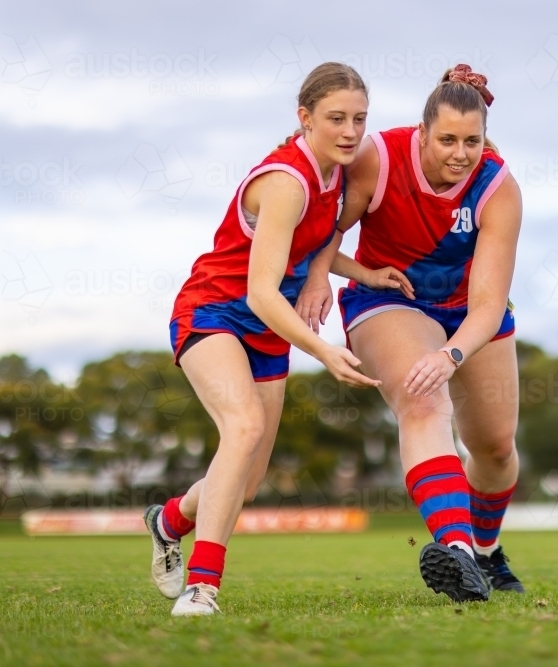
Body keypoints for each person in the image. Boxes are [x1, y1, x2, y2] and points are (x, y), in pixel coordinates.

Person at [143, 63, 382, 616]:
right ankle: (204, 587)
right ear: (305, 118)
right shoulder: (285, 182)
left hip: (267, 330)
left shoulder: (337, 174)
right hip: (214, 312)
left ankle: (169, 520)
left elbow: (314, 244)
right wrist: (323, 350)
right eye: (336, 119)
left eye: (359, 120)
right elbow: (261, 292)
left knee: (245, 484)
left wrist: (361, 273)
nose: (350, 131)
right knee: (244, 425)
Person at [296, 64, 524, 602]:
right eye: (446, 139)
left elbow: (489, 305)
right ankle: (459, 552)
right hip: (388, 299)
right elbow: (330, 227)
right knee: (423, 403)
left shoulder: (498, 186)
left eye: (472, 141)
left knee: (493, 448)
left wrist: (452, 353)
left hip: (468, 313)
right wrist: (315, 277)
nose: (459, 153)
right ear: (422, 133)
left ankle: (486, 552)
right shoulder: (380, 156)